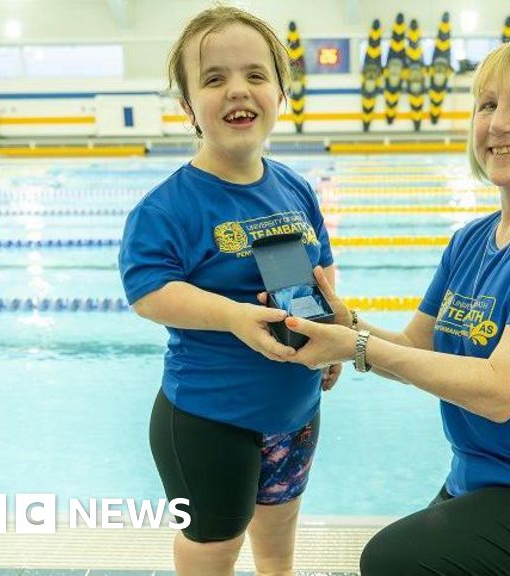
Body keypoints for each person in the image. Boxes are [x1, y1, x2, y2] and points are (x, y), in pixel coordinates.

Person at [275, 37, 510, 576]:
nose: (499, 123)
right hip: (486, 483)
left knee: (390, 562)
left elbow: (503, 392)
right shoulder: (471, 241)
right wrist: (345, 323)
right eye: (487, 104)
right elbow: (413, 348)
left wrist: (355, 347)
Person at [117, 6, 338, 576]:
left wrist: (334, 331)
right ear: (189, 106)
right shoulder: (169, 206)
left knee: (278, 542)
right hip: (209, 419)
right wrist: (235, 317)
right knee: (212, 550)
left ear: (280, 92)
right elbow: (148, 290)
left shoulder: (294, 187)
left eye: (255, 75)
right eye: (214, 79)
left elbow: (321, 267)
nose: (237, 89)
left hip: (296, 412)